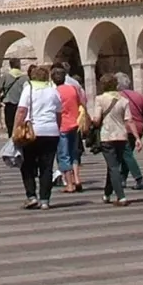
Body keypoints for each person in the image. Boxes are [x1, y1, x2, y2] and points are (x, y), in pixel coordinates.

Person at [15, 65, 63, 210]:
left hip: (33, 132)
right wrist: (57, 127)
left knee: (28, 164)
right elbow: (59, 113)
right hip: (51, 132)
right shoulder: (53, 91)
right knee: (47, 166)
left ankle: (31, 196)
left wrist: (15, 129)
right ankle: (45, 200)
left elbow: (22, 111)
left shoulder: (28, 89)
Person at [91, 73, 132, 206]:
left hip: (107, 135)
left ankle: (121, 196)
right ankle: (107, 194)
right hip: (121, 136)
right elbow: (128, 120)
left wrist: (94, 122)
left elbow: (96, 119)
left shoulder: (100, 99)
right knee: (114, 165)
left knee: (113, 167)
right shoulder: (124, 100)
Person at [114, 71, 143, 190]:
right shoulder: (137, 95)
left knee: (126, 154)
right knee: (126, 154)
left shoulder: (118, 96)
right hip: (139, 127)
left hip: (126, 127)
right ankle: (122, 179)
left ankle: (139, 178)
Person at [52, 65, 84, 193]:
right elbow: (81, 103)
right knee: (74, 153)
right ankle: (77, 179)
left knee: (63, 155)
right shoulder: (73, 89)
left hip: (62, 125)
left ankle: (69, 183)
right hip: (74, 124)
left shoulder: (54, 92)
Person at [0, 58, 28, 134]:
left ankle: (11, 142)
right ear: (19, 65)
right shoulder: (25, 78)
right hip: (21, 105)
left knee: (10, 127)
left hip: (9, 105)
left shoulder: (5, 77)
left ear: (10, 65)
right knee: (21, 126)